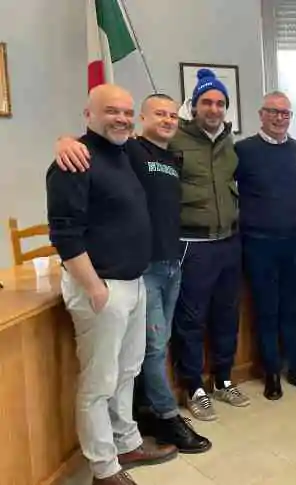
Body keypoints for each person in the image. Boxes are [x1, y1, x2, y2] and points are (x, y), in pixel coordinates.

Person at [53, 94, 212, 452]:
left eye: (173, 115)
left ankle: (131, 435)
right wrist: (64, 141)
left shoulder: (153, 156)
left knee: (139, 359)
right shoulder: (128, 149)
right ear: (143, 119)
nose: (167, 120)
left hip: (160, 267)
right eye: (159, 114)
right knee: (131, 362)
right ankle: (160, 422)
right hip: (123, 277)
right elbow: (65, 229)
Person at [46, 84, 177, 485]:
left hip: (134, 282)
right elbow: (65, 234)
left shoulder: (125, 154)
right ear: (89, 114)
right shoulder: (73, 161)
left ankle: (127, 443)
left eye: (126, 112)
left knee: (127, 371)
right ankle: (103, 468)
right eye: (111, 111)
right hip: (101, 286)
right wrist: (95, 288)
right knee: (98, 383)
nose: (121, 118)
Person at [169, 69, 249, 420]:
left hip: (228, 242)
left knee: (227, 315)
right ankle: (193, 387)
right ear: (194, 106)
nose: (214, 109)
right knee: (191, 319)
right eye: (207, 102)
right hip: (193, 244)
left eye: (219, 103)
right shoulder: (175, 139)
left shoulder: (229, 143)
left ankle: (223, 378)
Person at [235, 91, 296, 400]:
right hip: (259, 243)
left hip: (292, 241)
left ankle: (295, 367)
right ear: (261, 114)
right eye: (273, 111)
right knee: (266, 309)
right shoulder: (243, 149)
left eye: (285, 113)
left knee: (293, 309)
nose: (279, 118)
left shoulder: (294, 147)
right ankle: (271, 371)